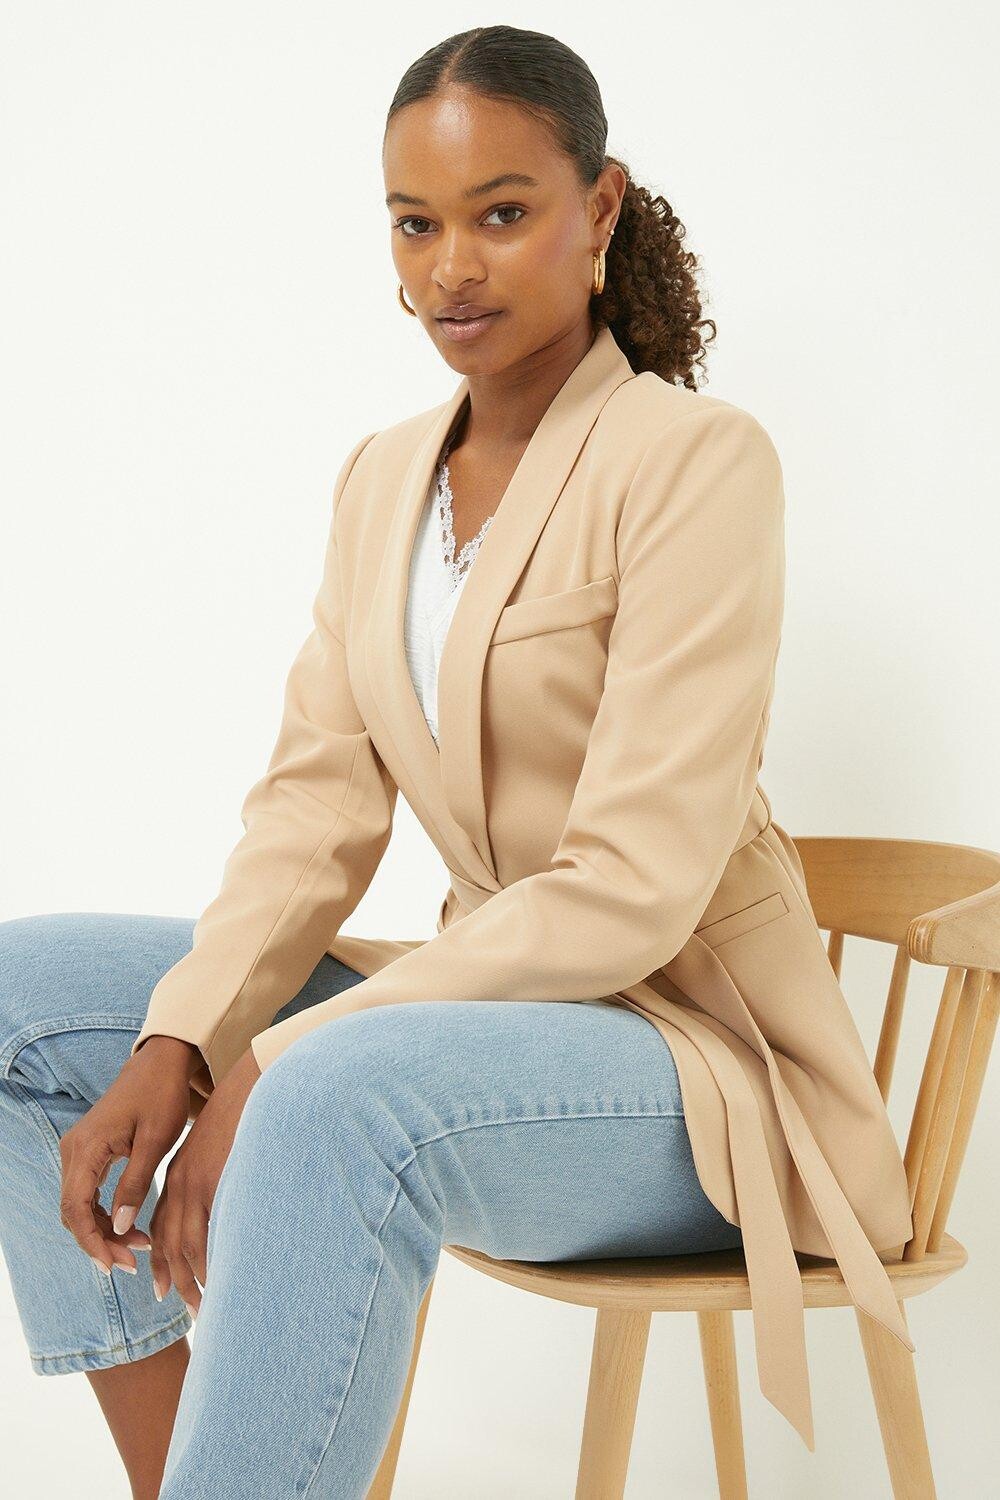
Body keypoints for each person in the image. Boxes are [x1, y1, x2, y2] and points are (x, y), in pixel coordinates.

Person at [0, 24, 914, 1500]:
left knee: (327, 1096)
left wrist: (275, 1061)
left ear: (599, 209)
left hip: (689, 1067)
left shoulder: (696, 462)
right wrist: (188, 1042)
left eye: (501, 213)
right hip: (473, 1010)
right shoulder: (381, 480)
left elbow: (630, 889)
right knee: (18, 1002)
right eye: (415, 225)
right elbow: (315, 812)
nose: (451, 269)